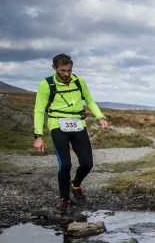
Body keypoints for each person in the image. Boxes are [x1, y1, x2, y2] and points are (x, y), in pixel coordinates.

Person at [33, 53, 110, 215]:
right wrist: (38, 135)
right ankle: (64, 200)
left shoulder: (79, 81)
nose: (67, 74)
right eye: (63, 70)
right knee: (65, 165)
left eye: (69, 70)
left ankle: (75, 185)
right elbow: (39, 110)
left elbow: (89, 100)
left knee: (87, 163)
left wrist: (100, 117)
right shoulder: (46, 84)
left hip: (78, 124)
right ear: (54, 68)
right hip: (57, 124)